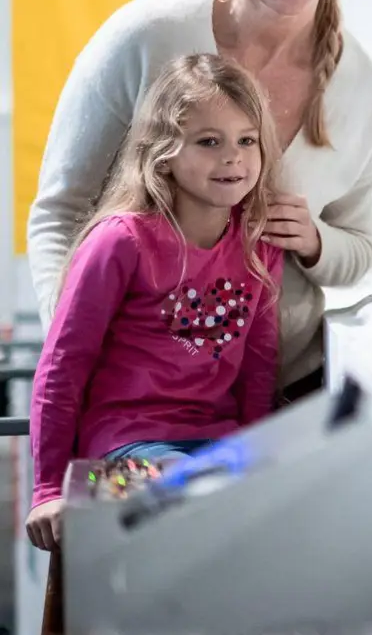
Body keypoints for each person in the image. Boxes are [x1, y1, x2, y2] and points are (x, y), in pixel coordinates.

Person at [27, 0, 372, 409]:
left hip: (282, 396)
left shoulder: (371, 87)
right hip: (130, 404)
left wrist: (314, 240)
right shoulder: (147, 37)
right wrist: (76, 354)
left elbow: (360, 252)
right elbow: (60, 213)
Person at [25, 54, 286, 553]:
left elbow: (258, 370)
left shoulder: (259, 247)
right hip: (121, 454)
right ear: (163, 152)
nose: (233, 157)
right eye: (210, 141)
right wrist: (47, 489)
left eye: (246, 140)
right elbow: (62, 365)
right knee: (185, 497)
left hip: (216, 449)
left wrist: (259, 461)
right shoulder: (120, 242)